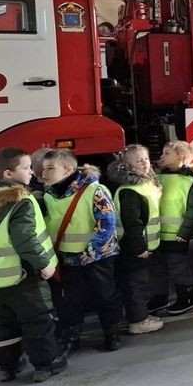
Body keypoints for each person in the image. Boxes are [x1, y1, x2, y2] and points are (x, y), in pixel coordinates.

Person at [0, 147, 66, 382]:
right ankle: (46, 365)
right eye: (26, 168)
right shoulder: (21, 202)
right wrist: (44, 264)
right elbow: (25, 239)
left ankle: (7, 367)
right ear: (8, 174)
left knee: (4, 326)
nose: (32, 172)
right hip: (24, 276)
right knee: (38, 320)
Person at [40, 149, 123, 353]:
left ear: (68, 170)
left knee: (105, 295)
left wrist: (89, 253)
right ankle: (71, 336)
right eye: (43, 169)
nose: (44, 173)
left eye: (50, 168)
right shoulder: (48, 195)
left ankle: (111, 333)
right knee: (71, 300)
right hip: (68, 258)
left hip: (97, 257)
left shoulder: (95, 190)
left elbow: (107, 223)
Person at [108, 144, 163, 335]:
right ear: (128, 166)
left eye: (146, 158)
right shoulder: (130, 191)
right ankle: (138, 321)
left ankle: (140, 316)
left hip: (143, 245)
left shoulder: (144, 184)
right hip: (134, 248)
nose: (145, 163)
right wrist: (139, 248)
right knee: (135, 284)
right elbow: (132, 223)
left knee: (140, 282)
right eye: (138, 161)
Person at [151, 140, 193, 316]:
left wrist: (186, 232)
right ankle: (159, 298)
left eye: (167, 153)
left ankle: (187, 298)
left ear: (180, 156)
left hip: (177, 235)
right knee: (158, 267)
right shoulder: (158, 178)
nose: (162, 156)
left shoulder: (189, 181)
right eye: (163, 153)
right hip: (158, 233)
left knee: (178, 267)